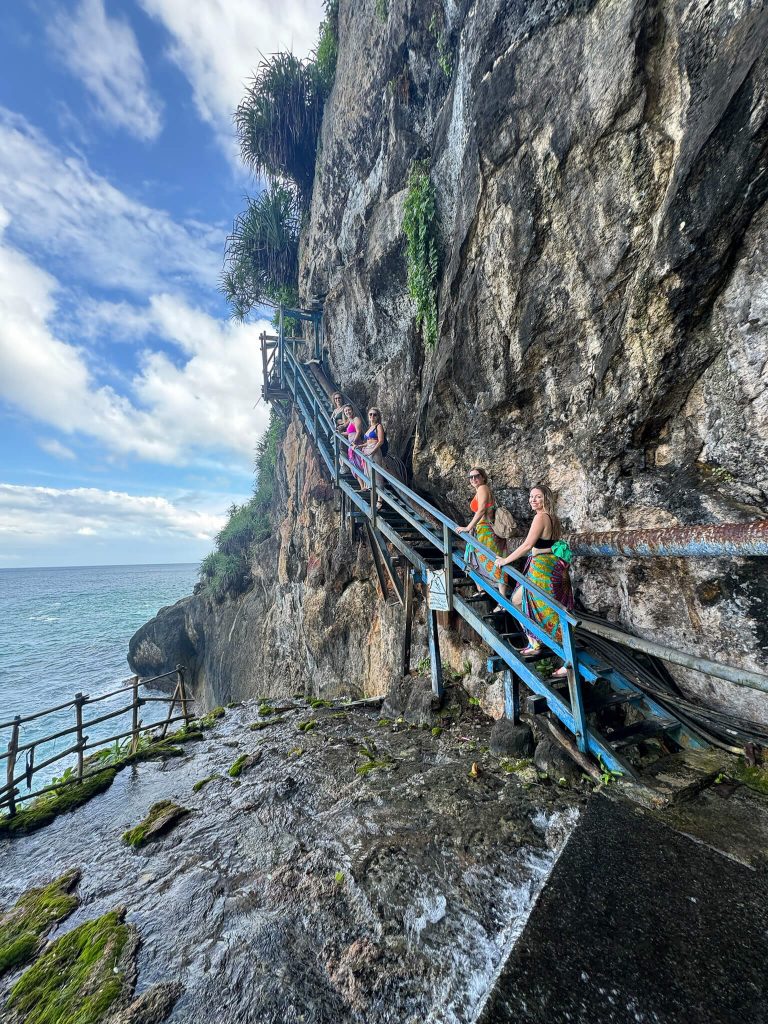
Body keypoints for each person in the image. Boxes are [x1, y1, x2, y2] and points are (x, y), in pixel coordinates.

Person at [494, 483, 574, 675]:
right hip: (553, 566)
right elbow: (550, 545)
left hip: (541, 570)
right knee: (522, 601)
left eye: (537, 496)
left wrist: (505, 560)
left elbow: (527, 545)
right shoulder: (554, 519)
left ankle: (567, 659)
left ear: (546, 498)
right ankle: (535, 641)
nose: (532, 500)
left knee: (548, 611)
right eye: (531, 497)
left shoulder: (540, 517)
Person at [456, 467, 508, 604]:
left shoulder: (483, 488)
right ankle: (483, 590)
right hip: (482, 531)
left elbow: (481, 510)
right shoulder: (481, 489)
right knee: (474, 560)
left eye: (476, 476)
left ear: (483, 477)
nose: (473, 479)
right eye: (470, 477)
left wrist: (468, 527)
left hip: (486, 532)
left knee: (492, 560)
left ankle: (502, 600)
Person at [356, 408, 388, 504]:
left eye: (374, 414)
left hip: (375, 451)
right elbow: (368, 442)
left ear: (378, 416)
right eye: (370, 414)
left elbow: (381, 441)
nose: (372, 416)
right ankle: (373, 496)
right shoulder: (370, 427)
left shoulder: (378, 426)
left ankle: (380, 500)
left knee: (377, 475)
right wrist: (360, 446)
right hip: (367, 451)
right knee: (369, 473)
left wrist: (373, 451)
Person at [343, 404, 366, 483]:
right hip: (351, 445)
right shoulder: (350, 421)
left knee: (360, 463)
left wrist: (354, 442)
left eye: (349, 410)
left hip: (356, 444)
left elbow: (358, 431)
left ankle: (366, 484)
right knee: (354, 465)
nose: (347, 412)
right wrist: (340, 433)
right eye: (346, 411)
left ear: (352, 411)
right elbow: (349, 432)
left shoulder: (356, 419)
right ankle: (362, 486)